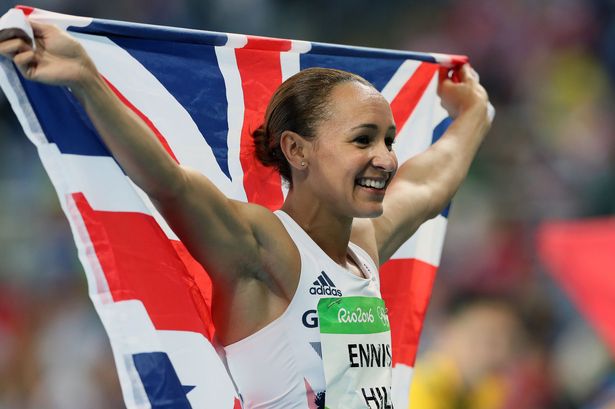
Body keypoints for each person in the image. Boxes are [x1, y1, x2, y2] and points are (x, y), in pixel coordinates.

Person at [0, 20, 491, 409]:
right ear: (297, 150)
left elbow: (430, 184)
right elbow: (168, 183)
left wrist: (474, 115)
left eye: (389, 140)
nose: (385, 158)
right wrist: (88, 80)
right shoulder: (262, 247)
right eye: (363, 139)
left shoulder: (363, 248)